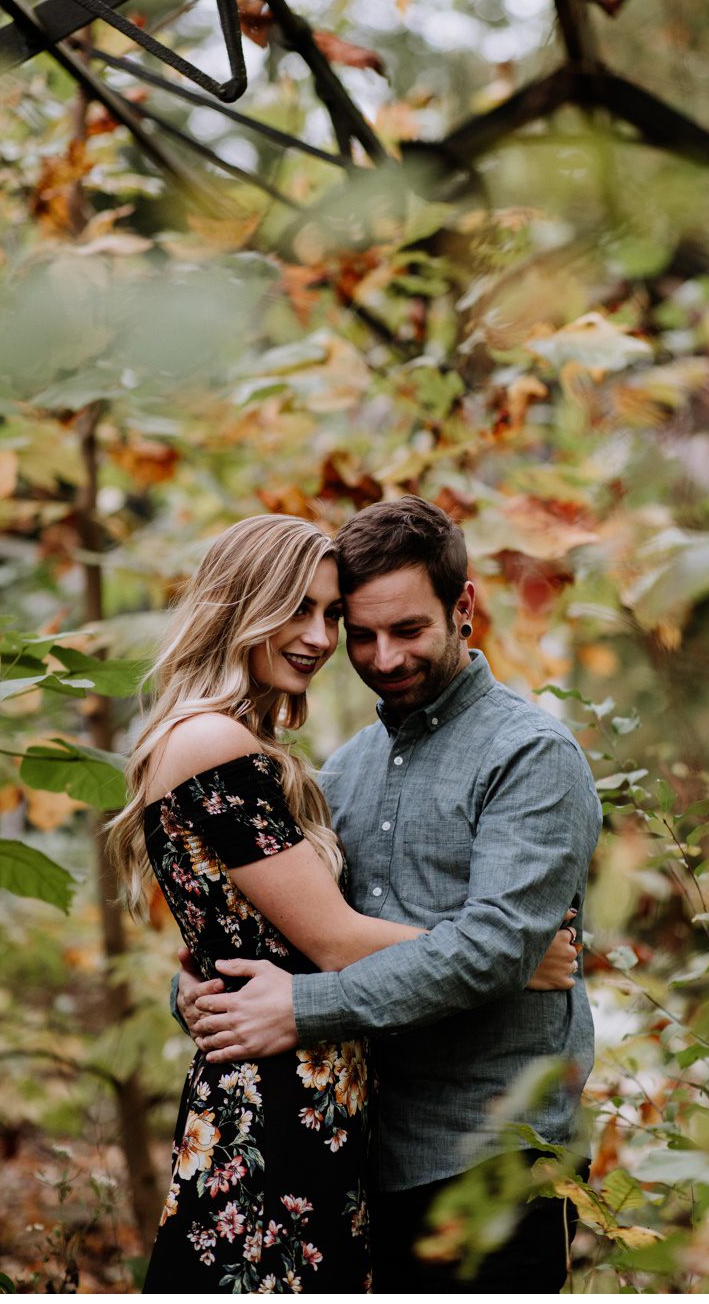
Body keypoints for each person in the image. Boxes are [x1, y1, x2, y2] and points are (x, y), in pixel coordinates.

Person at [110, 515, 579, 1293]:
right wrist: (195, 991)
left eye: (405, 628)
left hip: (491, 1159)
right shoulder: (341, 770)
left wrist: (501, 957)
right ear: (241, 608)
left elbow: (297, 954)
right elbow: (302, 941)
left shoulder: (528, 754)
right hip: (347, 1142)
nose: (372, 653)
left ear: (464, 606)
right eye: (356, 629)